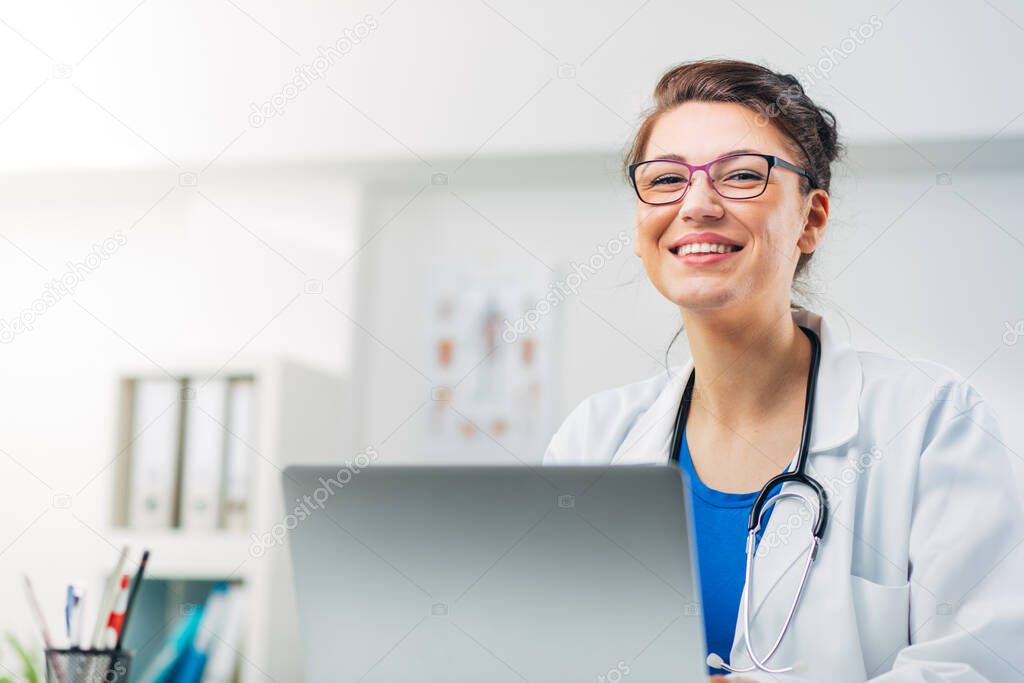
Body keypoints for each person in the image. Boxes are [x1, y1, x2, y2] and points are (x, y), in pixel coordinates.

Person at [542, 58, 1024, 682]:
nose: (696, 205)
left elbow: (982, 667)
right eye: (665, 180)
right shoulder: (594, 440)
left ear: (811, 218)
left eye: (742, 176)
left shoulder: (930, 422)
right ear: (640, 227)